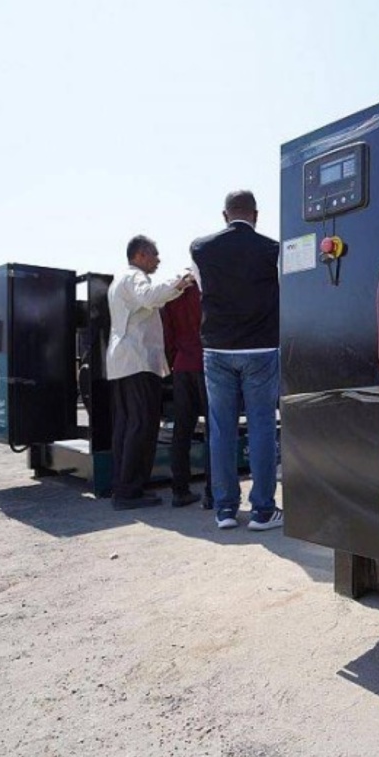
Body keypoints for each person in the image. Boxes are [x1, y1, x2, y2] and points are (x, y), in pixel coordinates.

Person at [190, 190, 281, 531]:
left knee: (221, 429)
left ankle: (225, 510)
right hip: (260, 349)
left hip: (217, 350)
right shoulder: (272, 250)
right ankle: (262, 511)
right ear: (255, 214)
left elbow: (202, 289)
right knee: (261, 428)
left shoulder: (200, 247)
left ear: (224, 215)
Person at [106, 235, 192, 510]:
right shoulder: (135, 278)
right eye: (155, 255)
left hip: (122, 363)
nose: (158, 260)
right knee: (141, 426)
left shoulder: (119, 280)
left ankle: (122, 486)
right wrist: (181, 280)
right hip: (138, 362)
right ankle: (130, 492)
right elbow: (151, 297)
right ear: (141, 255)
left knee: (125, 426)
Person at [161, 282, 213, 508]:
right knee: (215, 429)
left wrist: (174, 361)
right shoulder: (206, 294)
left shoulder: (172, 297)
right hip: (206, 364)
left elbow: (168, 336)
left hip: (182, 366)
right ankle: (213, 492)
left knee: (182, 431)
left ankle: (180, 490)